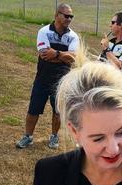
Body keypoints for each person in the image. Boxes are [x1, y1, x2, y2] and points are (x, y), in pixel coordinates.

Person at [16, 4, 79, 150]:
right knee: (33, 110)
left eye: (71, 16)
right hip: (42, 79)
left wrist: (56, 54)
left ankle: (54, 136)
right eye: (66, 16)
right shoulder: (44, 31)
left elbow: (73, 58)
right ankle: (28, 136)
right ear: (57, 15)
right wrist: (64, 56)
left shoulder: (73, 36)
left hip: (62, 82)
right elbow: (44, 55)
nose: (69, 19)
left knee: (57, 111)